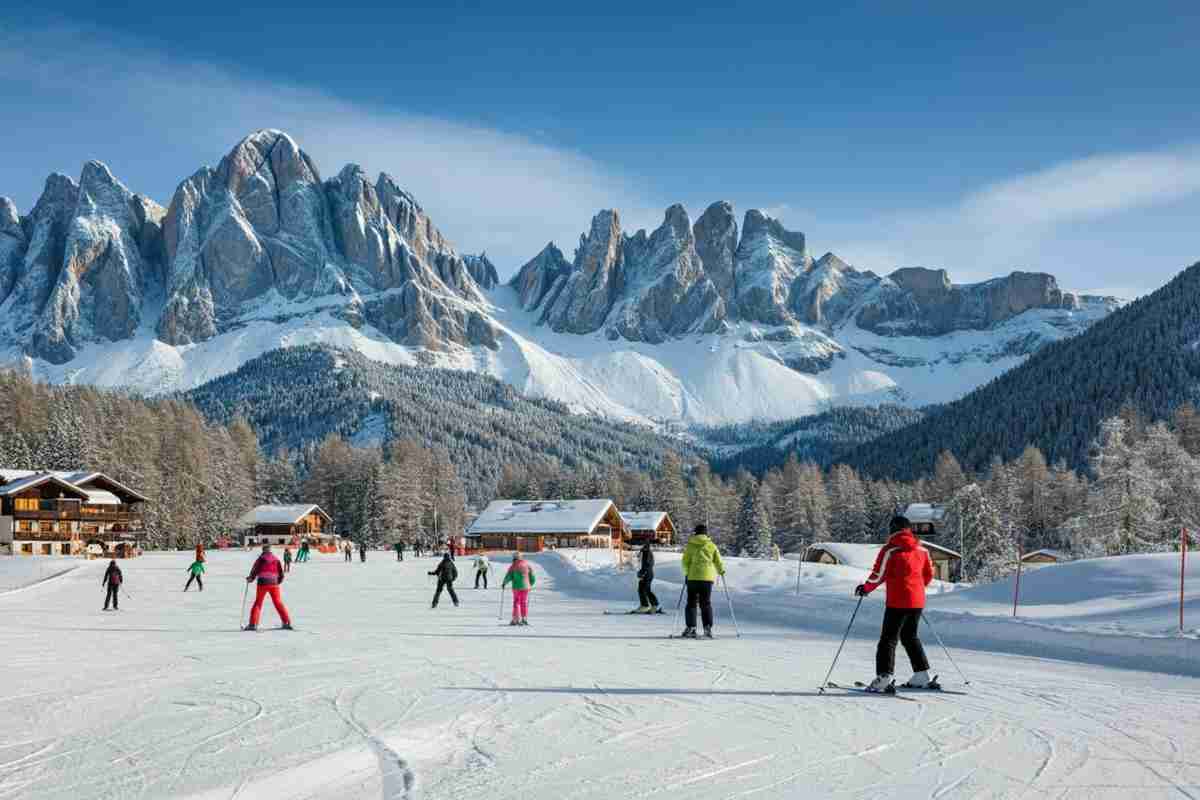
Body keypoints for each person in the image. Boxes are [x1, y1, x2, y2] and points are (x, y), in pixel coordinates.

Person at [855, 515, 935, 693]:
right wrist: (916, 588)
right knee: (910, 637)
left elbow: (879, 573)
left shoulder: (890, 550)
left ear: (893, 529)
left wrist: (866, 588)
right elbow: (929, 574)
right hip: (917, 600)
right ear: (908, 529)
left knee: (888, 640)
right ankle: (922, 674)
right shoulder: (922, 550)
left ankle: (884, 677)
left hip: (898, 601)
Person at [680, 524, 724, 639]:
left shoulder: (690, 545)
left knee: (691, 603)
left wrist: (686, 572)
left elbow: (685, 561)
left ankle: (691, 627)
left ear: (695, 533)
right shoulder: (712, 545)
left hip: (693, 577)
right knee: (706, 603)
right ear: (706, 533)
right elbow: (718, 561)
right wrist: (721, 571)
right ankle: (707, 628)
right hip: (707, 578)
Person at [245, 544, 292, 631]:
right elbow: (281, 572)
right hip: (274, 584)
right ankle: (286, 622)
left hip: (262, 583)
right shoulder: (276, 559)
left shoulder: (261, 559)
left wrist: (251, 578)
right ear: (271, 551)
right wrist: (278, 581)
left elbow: (255, 569)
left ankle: (253, 624)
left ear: (263, 550)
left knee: (258, 603)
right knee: (278, 602)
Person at [502, 552, 536, 626]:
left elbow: (509, 576)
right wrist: (531, 583)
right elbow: (532, 576)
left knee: (516, 602)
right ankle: (524, 618)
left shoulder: (513, 566)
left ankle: (515, 619)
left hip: (516, 587)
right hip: (526, 587)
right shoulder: (527, 565)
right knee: (523, 602)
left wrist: (504, 583)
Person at [634, 542, 660, 613]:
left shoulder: (647, 553)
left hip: (647, 574)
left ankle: (645, 605)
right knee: (645, 589)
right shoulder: (644, 552)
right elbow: (644, 564)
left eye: (643, 545)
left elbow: (648, 564)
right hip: (647, 573)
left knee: (642, 589)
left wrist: (642, 572)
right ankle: (653, 604)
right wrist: (641, 571)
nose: (641, 546)